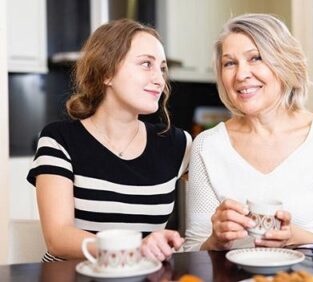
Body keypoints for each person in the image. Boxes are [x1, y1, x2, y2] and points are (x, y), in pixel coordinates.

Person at [184, 13, 313, 251]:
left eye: (255, 58)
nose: (241, 74)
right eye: (230, 63)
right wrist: (215, 240)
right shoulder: (207, 146)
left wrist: (301, 237)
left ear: (284, 61)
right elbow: (194, 250)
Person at [27, 19, 191, 262]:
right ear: (106, 72)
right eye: (146, 64)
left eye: (162, 68)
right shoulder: (60, 140)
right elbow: (58, 238)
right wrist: (136, 247)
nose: (160, 79)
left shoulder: (177, 144)